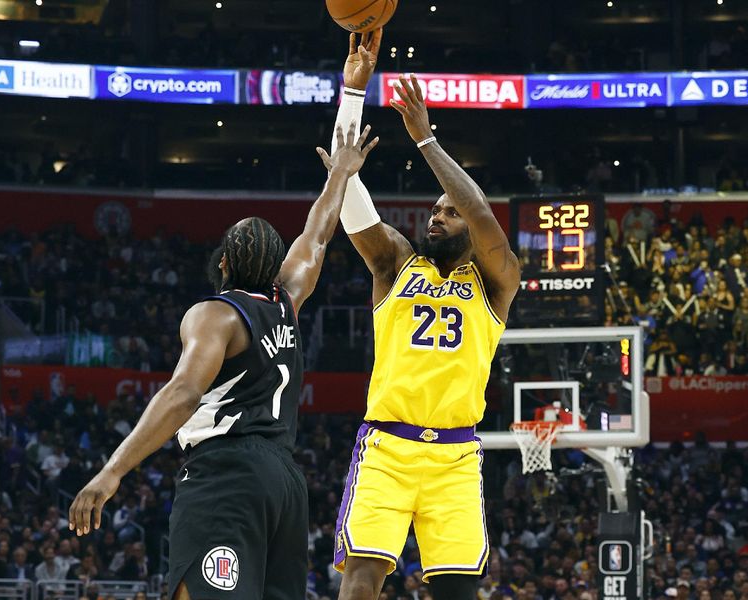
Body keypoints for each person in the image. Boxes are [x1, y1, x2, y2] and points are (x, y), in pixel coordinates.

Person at [67, 123, 380, 599]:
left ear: (223, 266)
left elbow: (184, 393)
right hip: (285, 483)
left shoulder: (215, 314)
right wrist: (339, 173)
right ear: (276, 267)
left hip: (226, 475)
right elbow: (317, 236)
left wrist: (112, 471)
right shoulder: (288, 300)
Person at [326, 32, 520, 600]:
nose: (437, 218)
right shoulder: (395, 264)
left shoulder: (494, 281)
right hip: (387, 446)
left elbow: (480, 210)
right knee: (363, 577)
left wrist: (427, 140)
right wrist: (352, 93)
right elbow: (348, 188)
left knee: (458, 590)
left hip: (456, 453)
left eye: (447, 213)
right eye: (433, 211)